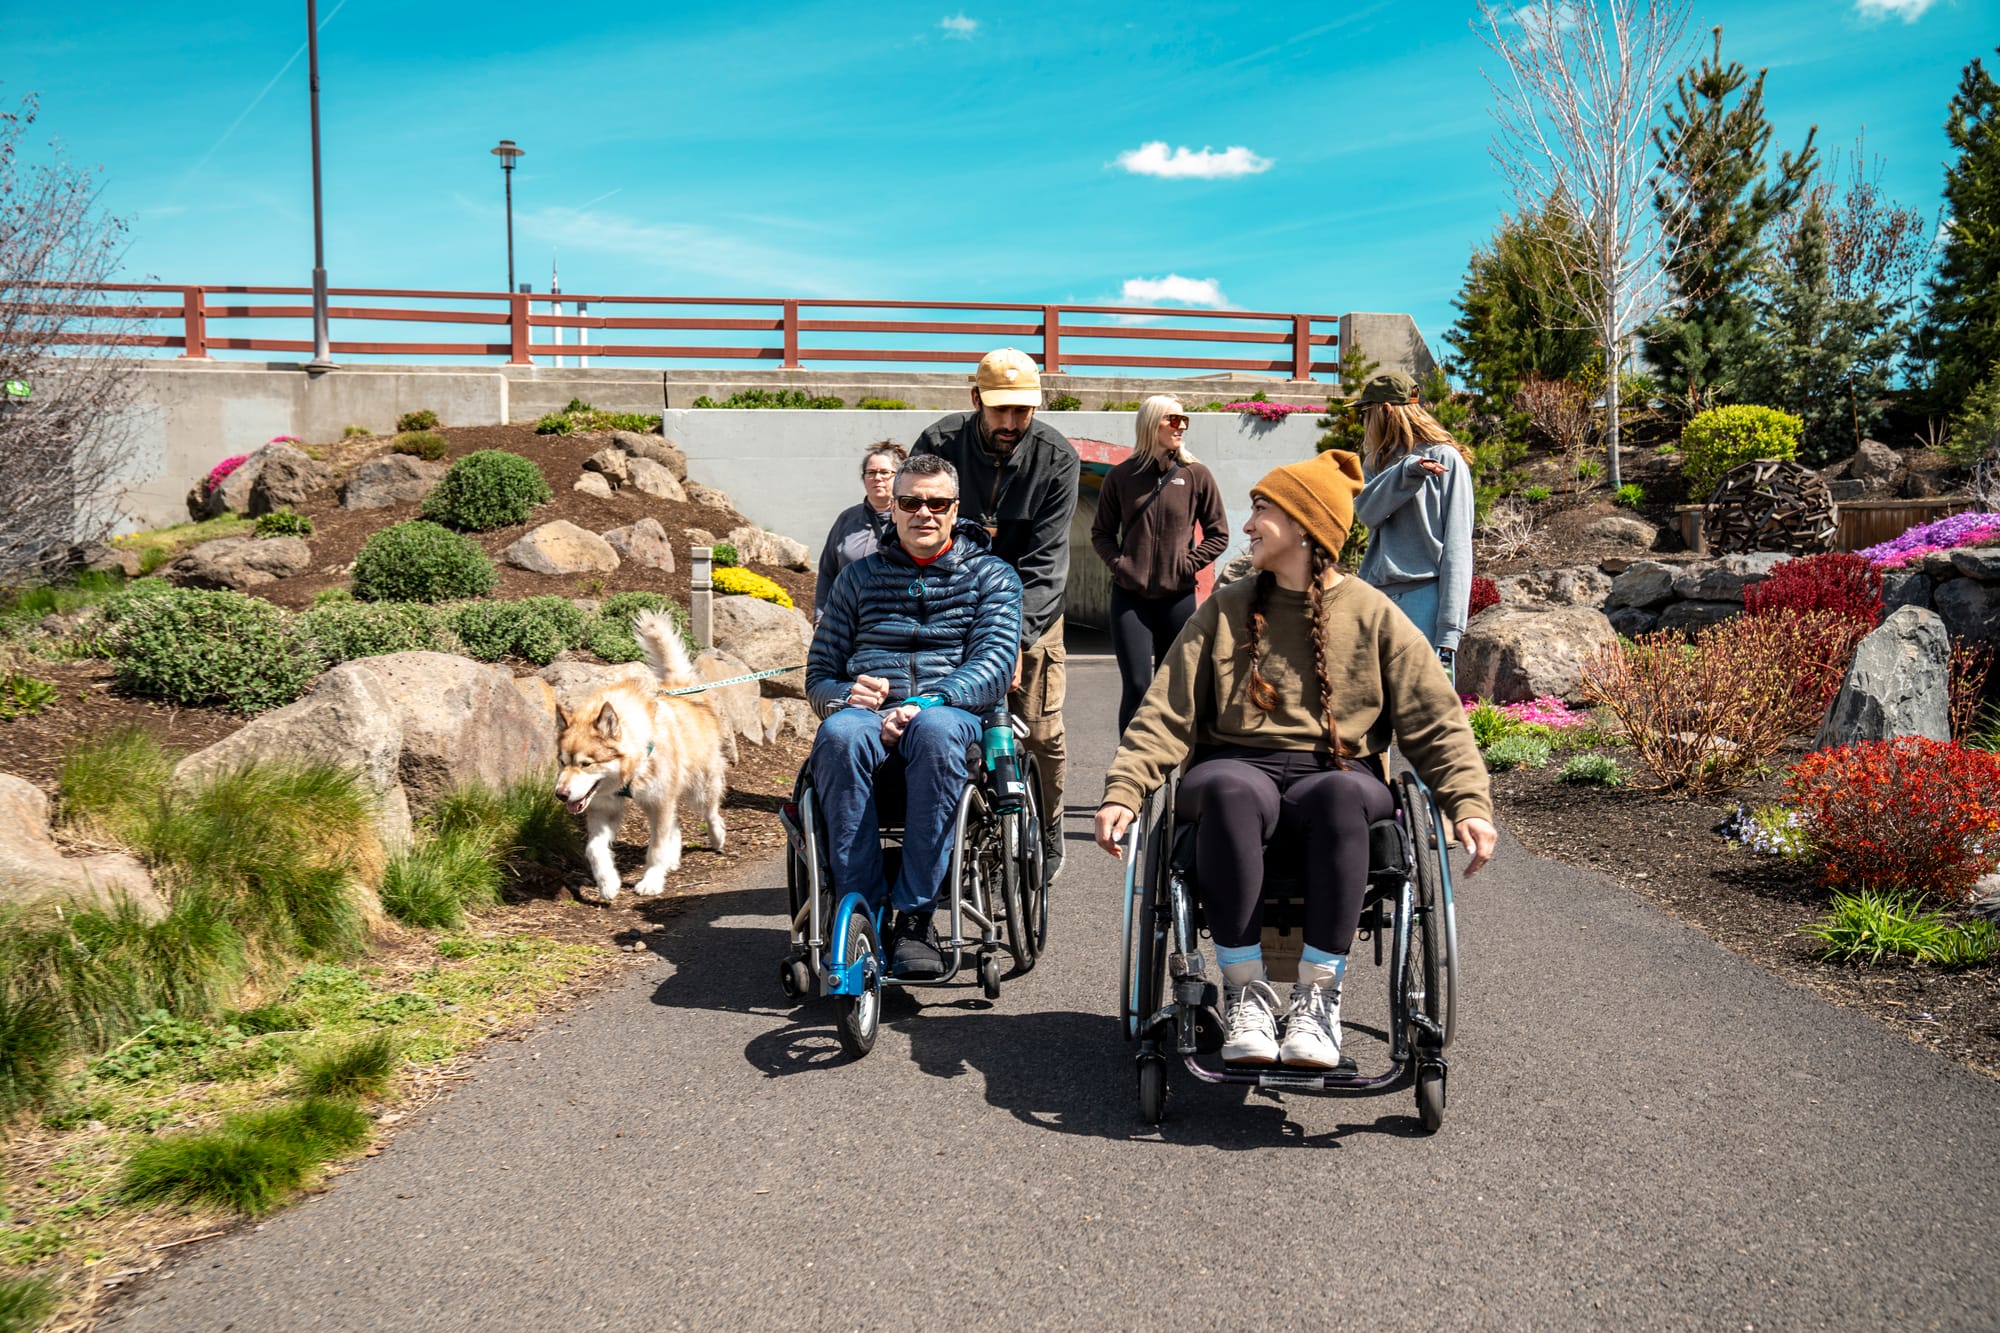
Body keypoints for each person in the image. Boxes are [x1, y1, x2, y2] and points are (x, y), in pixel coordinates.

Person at [1092, 449, 1497, 1069]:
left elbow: (1435, 719)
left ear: (1306, 528)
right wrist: (1125, 789)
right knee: (1229, 790)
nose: (1246, 525)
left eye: (1261, 510)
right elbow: (1165, 710)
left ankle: (1317, 999)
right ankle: (1245, 991)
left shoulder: (1372, 614)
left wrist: (1466, 802)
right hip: (1236, 766)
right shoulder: (1224, 611)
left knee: (1340, 798)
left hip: (1338, 772)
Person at [805, 454, 1023, 979]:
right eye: (910, 502)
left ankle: (915, 917)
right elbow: (819, 676)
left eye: (937, 503)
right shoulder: (857, 579)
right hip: (870, 717)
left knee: (936, 731)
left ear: (954, 510)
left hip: (952, 713)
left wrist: (925, 702)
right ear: (894, 510)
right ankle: (858, 906)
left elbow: (993, 666)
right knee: (837, 733)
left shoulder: (992, 577)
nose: (923, 512)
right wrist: (846, 694)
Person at [911, 347, 1079, 882]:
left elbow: (1046, 563)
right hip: (952, 603)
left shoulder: (1058, 458)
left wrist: (1012, 642)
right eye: (1000, 409)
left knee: (1041, 729)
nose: (1010, 423)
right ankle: (952, 831)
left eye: (1022, 411)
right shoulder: (938, 445)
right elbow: (914, 526)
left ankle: (1046, 824)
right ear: (976, 398)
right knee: (939, 720)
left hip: (1030, 610)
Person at [1090, 395, 1228, 733]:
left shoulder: (1197, 475)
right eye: (1173, 419)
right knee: (1137, 686)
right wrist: (1121, 565)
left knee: (1174, 691)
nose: (1181, 426)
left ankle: (1171, 768)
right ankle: (1133, 775)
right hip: (1130, 598)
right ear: (1152, 423)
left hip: (1177, 597)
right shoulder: (1121, 476)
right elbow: (1101, 533)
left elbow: (1218, 534)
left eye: (1184, 420)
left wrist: (1186, 564)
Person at [1352, 371, 1477, 679]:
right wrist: (1408, 470)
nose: (1364, 422)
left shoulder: (1446, 459)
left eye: (1365, 413)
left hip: (1426, 600)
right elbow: (1367, 512)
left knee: (1425, 714)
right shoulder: (1375, 463)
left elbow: (1458, 548)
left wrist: (1449, 632)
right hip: (1376, 598)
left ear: (1385, 410)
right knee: (1373, 711)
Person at [813, 441, 906, 621]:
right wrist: (820, 618)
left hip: (892, 622)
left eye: (885, 472)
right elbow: (827, 572)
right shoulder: (847, 519)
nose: (877, 478)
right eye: (871, 473)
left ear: (900, 478)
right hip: (845, 620)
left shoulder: (909, 519)